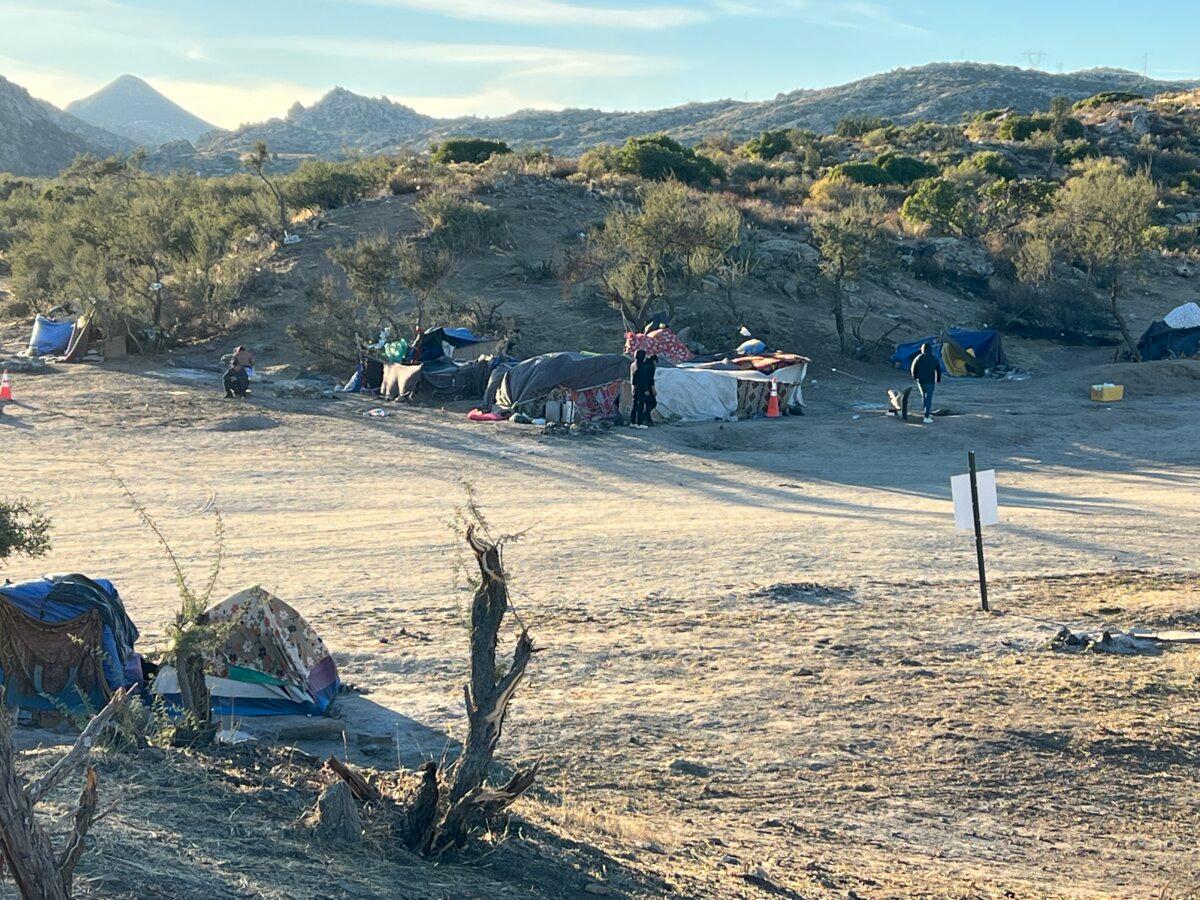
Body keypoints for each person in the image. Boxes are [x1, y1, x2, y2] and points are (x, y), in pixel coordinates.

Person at [910, 342, 943, 424]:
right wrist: (938, 380)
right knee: (928, 398)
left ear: (922, 349)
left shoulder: (918, 357)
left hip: (921, 381)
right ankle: (926, 416)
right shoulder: (934, 358)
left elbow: (913, 368)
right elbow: (938, 370)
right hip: (930, 381)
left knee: (924, 397)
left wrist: (915, 378)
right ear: (931, 350)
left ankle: (925, 411)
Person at [630, 349, 656, 428]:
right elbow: (643, 379)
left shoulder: (633, 365)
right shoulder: (641, 366)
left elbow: (633, 378)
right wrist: (646, 390)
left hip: (634, 388)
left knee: (635, 405)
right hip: (641, 389)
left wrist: (633, 387)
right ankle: (639, 423)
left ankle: (632, 422)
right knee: (640, 406)